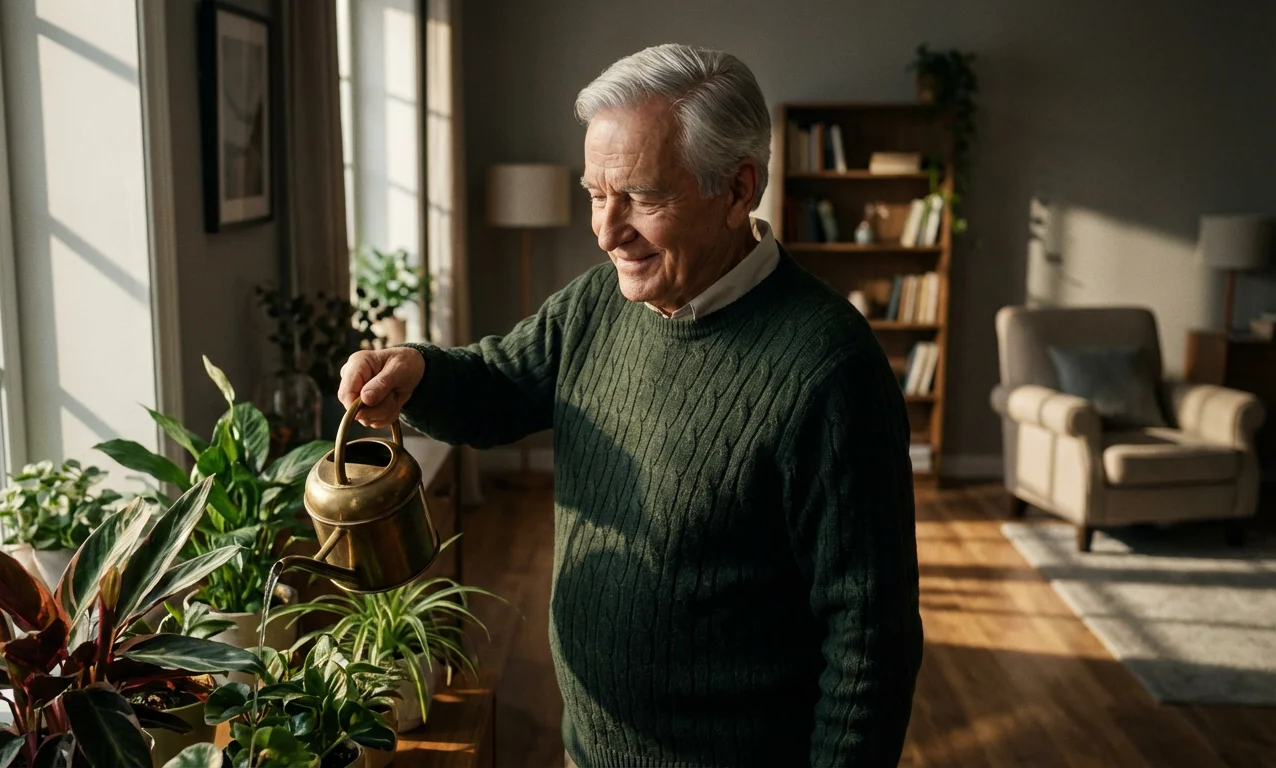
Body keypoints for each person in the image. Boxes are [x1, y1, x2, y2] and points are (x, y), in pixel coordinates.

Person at [338, 43, 922, 768]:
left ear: (739, 190)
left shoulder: (831, 370)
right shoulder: (596, 304)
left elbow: (870, 640)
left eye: (641, 198)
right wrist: (415, 374)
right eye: (595, 194)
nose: (606, 231)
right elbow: (500, 385)